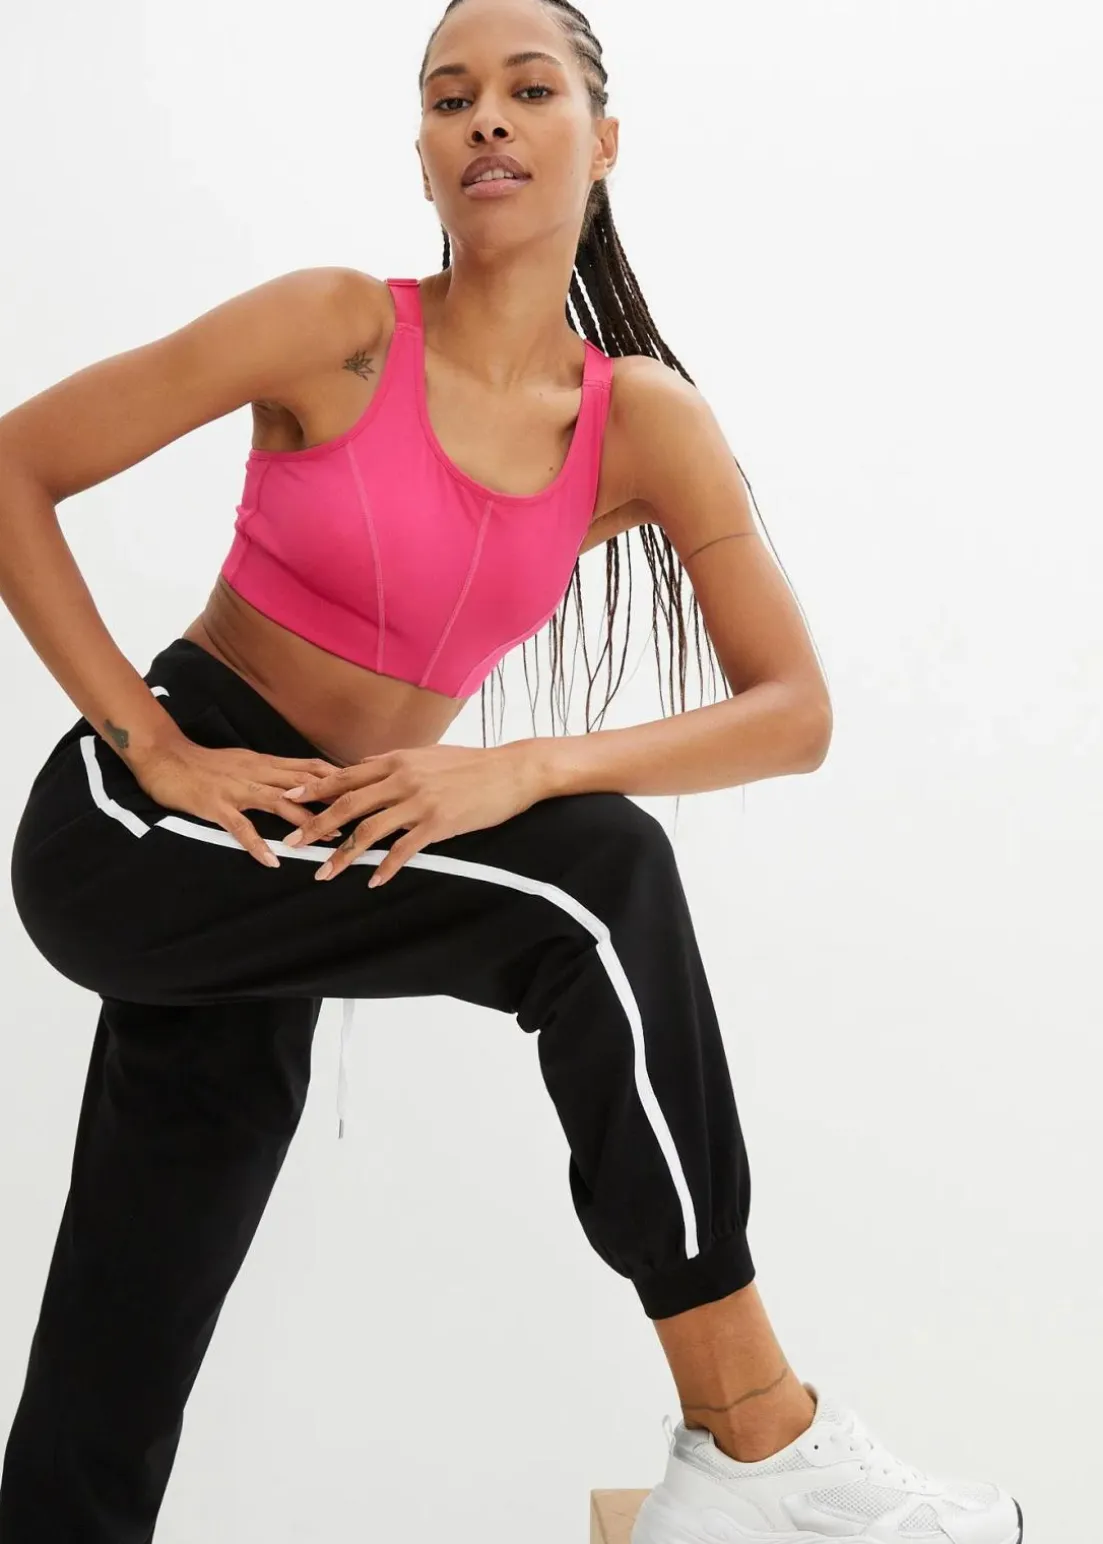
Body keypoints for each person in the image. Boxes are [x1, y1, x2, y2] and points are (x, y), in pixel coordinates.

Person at [0, 0, 1023, 1540]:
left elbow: (791, 710)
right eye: (448, 96)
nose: (484, 116)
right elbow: (14, 465)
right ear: (422, 156)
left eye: (527, 89)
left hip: (335, 845)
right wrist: (154, 747)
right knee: (598, 880)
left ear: (600, 142)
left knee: (130, 1319)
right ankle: (754, 1441)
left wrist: (520, 766)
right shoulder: (336, 325)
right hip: (143, 824)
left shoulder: (637, 422)